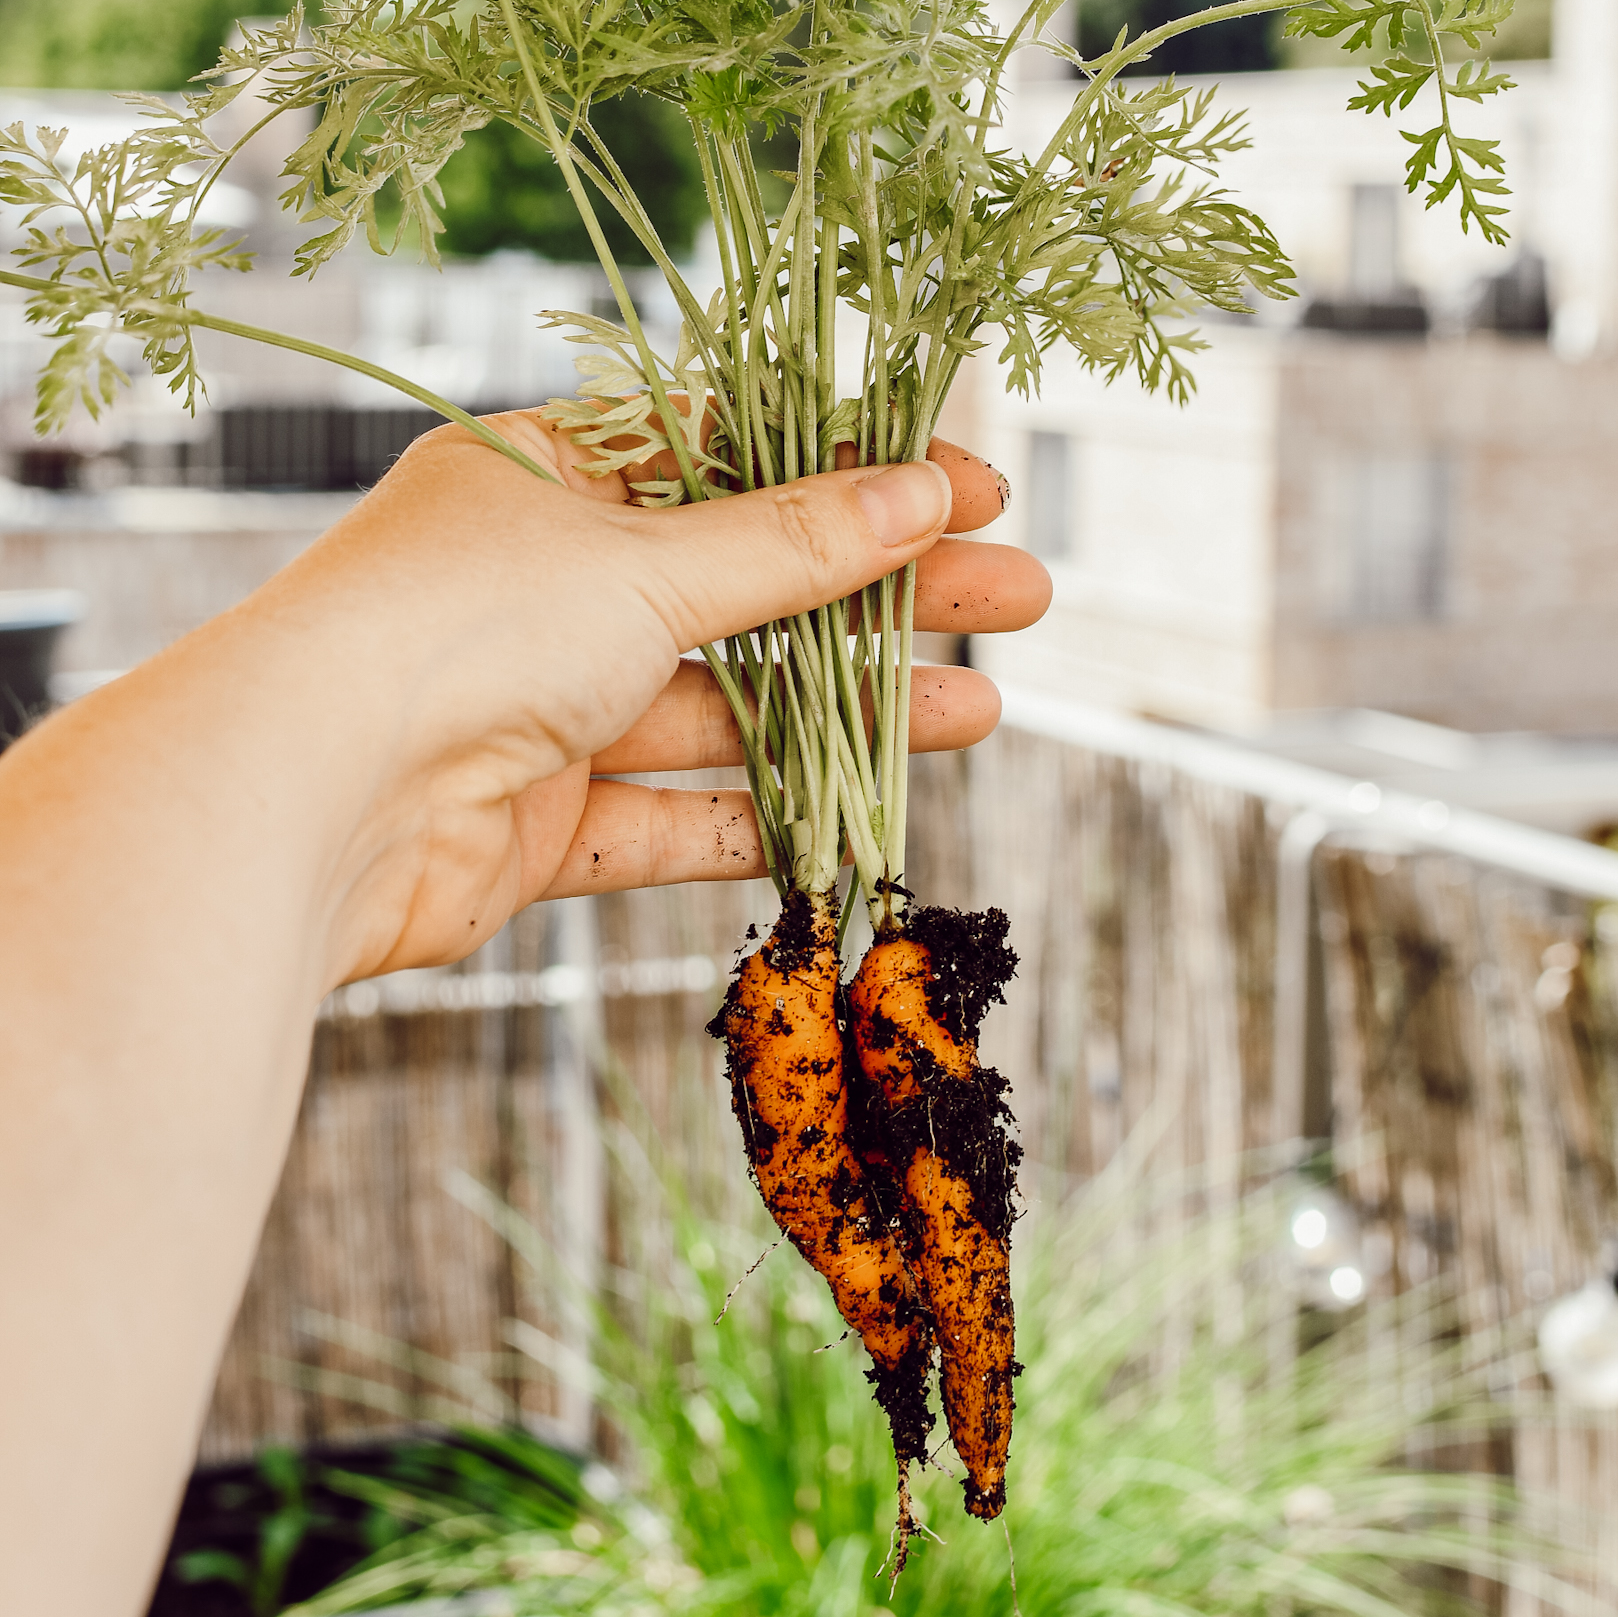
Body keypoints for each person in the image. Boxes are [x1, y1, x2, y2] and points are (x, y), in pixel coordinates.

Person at [0, 408, 1049, 1616]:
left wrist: (356, 750)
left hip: (827, 932)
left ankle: (950, 1418)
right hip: (818, 917)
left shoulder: (887, 991)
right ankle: (940, 1412)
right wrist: (369, 702)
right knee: (894, 1236)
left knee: (927, 1234)